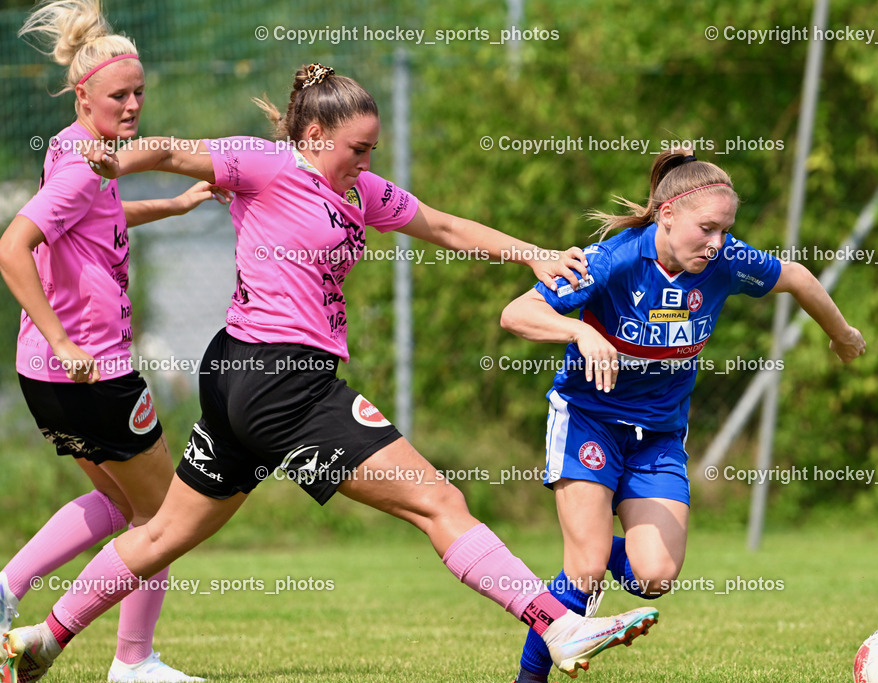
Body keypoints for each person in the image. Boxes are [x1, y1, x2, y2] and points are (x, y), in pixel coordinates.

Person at [2, 62, 660, 683]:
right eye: (357, 148)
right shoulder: (266, 163)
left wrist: (535, 255)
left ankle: (43, 638)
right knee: (439, 501)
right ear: (314, 137)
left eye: (372, 149)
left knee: (164, 533)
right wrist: (113, 159)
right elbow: (174, 149)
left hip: (243, 378)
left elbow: (444, 225)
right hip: (281, 382)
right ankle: (557, 625)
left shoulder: (356, 190)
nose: (366, 162)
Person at [500, 149, 866, 681]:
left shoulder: (725, 262)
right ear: (666, 215)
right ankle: (530, 676)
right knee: (584, 572)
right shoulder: (613, 260)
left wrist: (842, 334)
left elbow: (798, 277)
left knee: (655, 576)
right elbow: (517, 313)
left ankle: (594, 555)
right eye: (707, 228)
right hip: (589, 419)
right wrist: (580, 331)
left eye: (725, 229)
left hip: (659, 437)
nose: (716, 242)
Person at [0, 1, 230, 682]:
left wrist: (175, 203)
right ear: (82, 95)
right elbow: (13, 247)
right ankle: (133, 661)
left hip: (43, 375)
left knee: (120, 506)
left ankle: (7, 588)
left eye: (139, 94)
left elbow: (94, 215)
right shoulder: (81, 165)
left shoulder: (77, 154)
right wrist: (65, 338)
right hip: (88, 370)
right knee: (164, 514)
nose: (133, 106)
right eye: (119, 96)